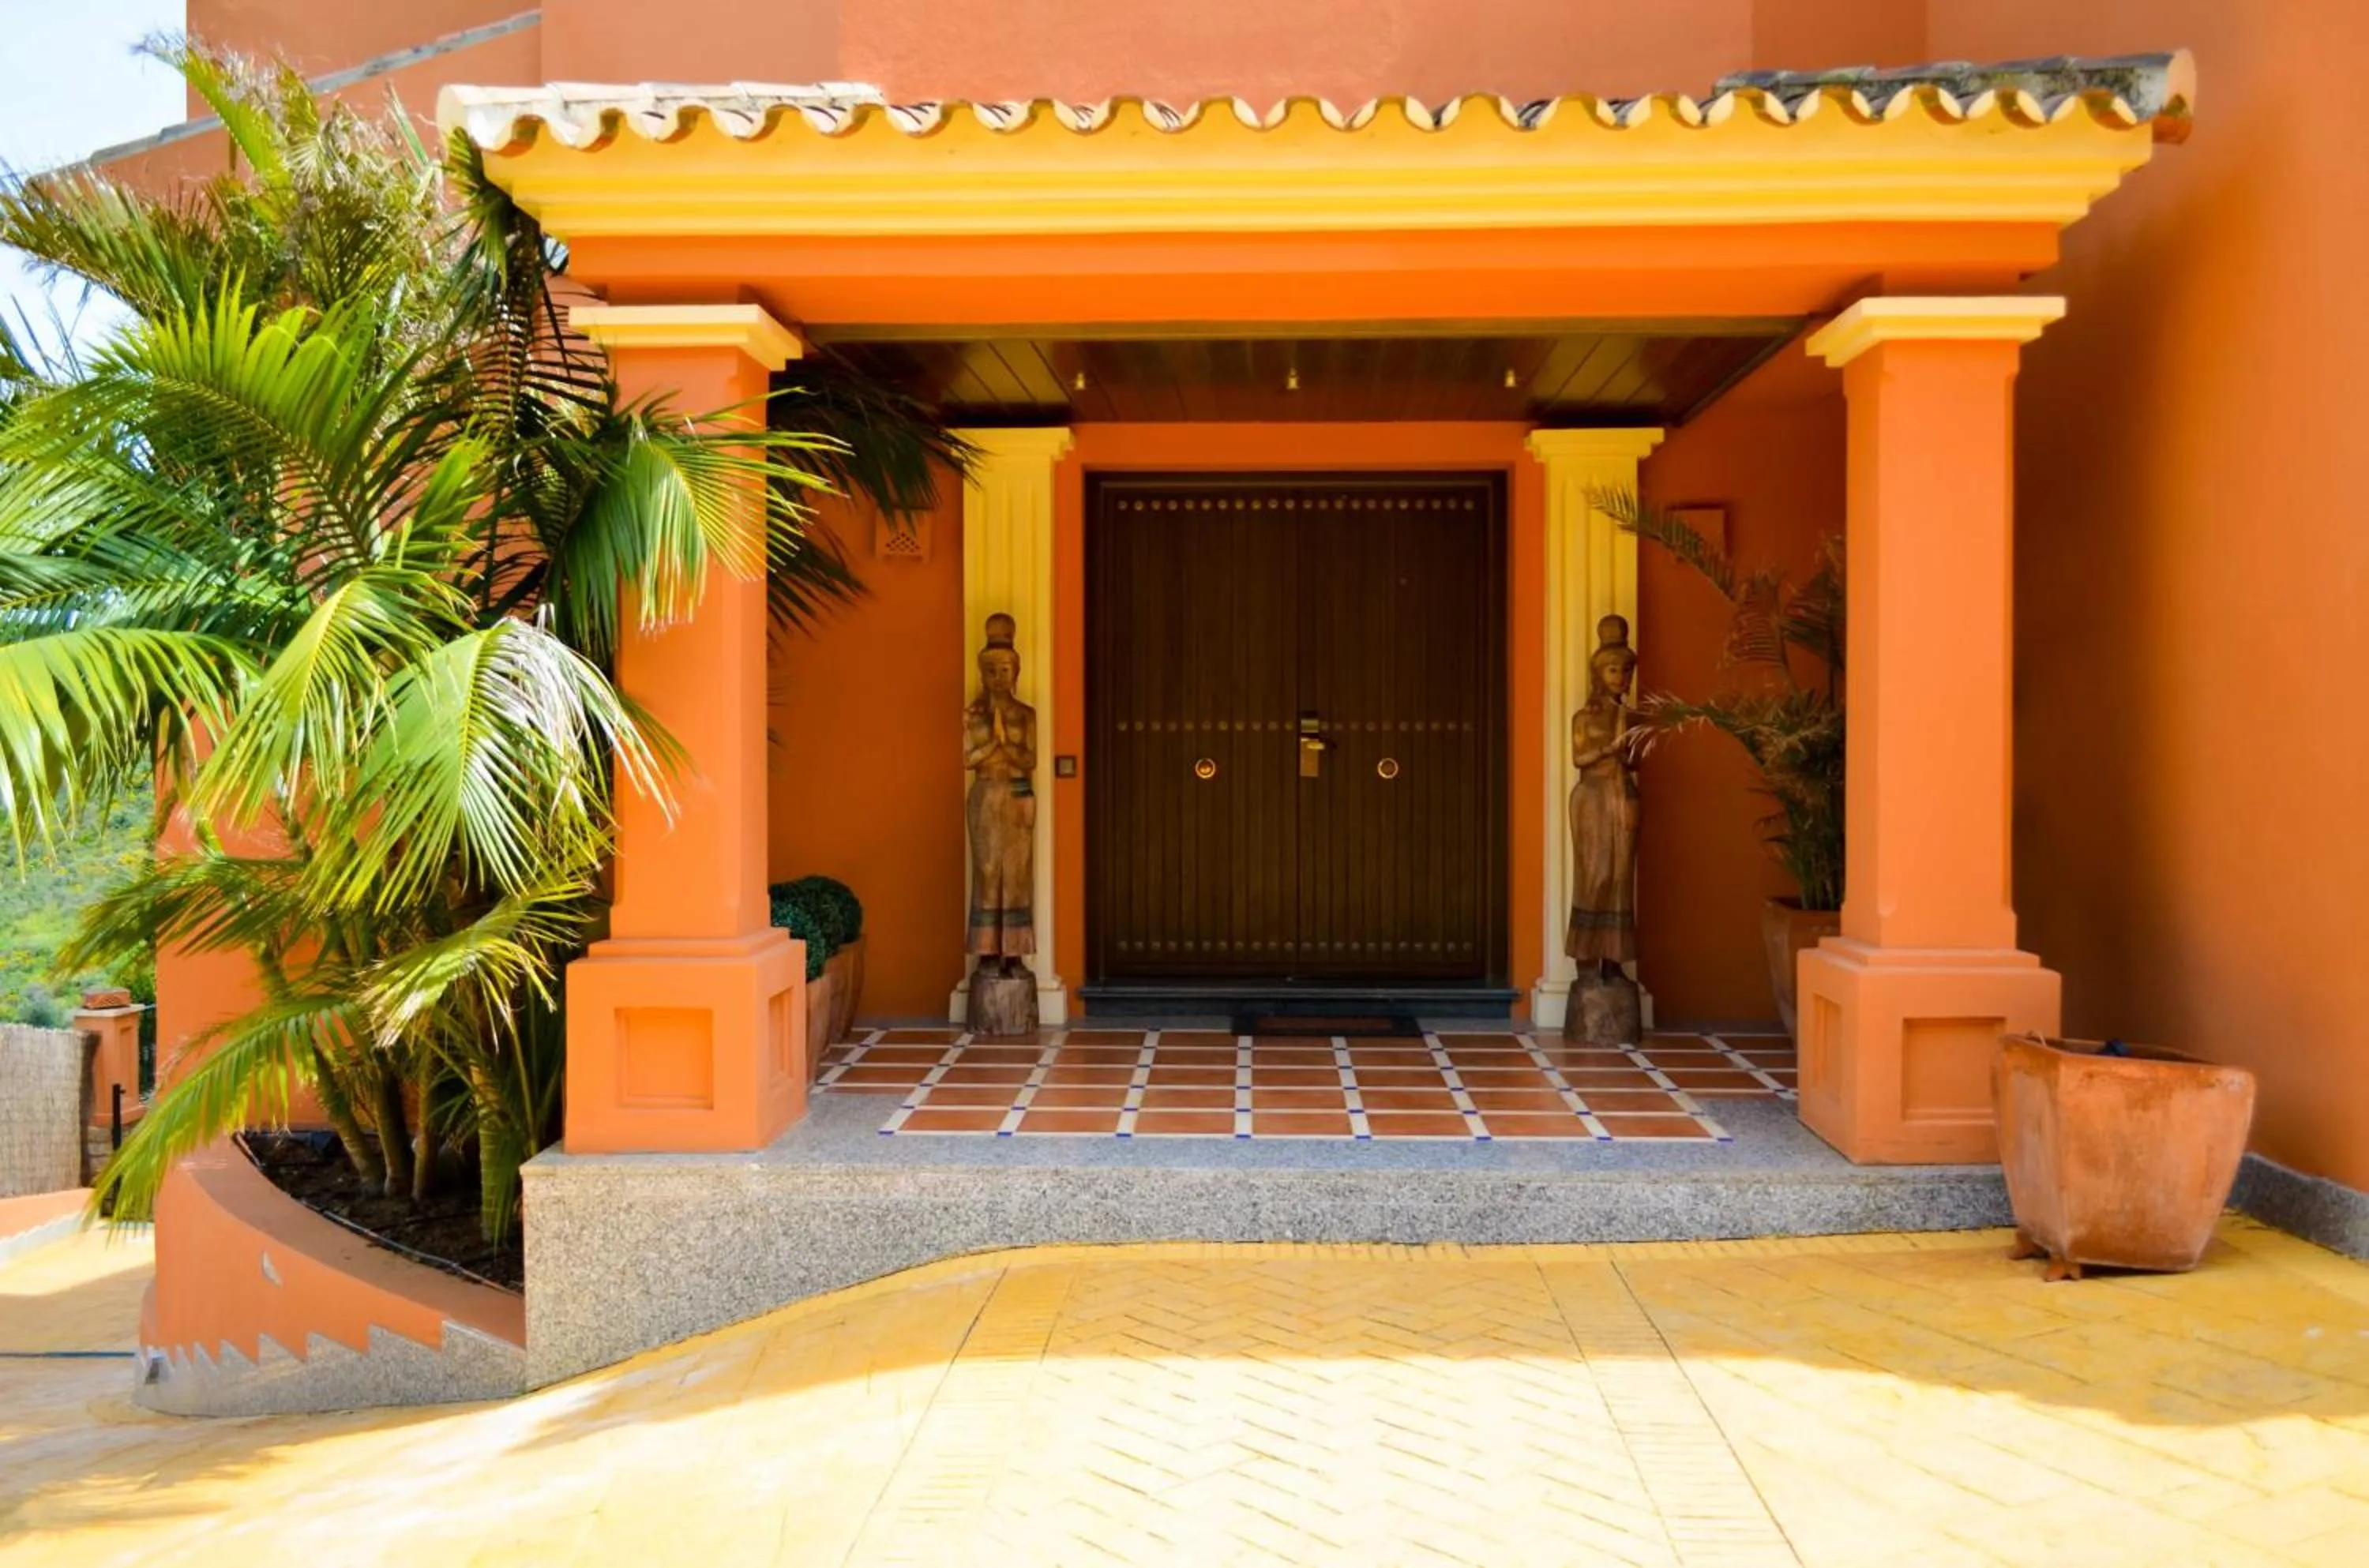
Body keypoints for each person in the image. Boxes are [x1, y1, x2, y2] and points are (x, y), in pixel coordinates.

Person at [963, 613, 1037, 976]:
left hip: (1019, 795)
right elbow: (968, 759)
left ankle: (1015, 952)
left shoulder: (1026, 715)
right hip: (986, 796)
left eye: (1005, 670)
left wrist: (1005, 744)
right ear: (983, 674)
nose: (998, 678)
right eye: (991, 671)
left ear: (1015, 672)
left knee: (1017, 873)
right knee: (988, 870)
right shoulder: (973, 716)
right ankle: (987, 951)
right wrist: (993, 740)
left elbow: (1030, 759)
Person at [1566, 613, 1639, 977]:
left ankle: (1613, 961)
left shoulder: (1631, 716)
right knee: (1594, 876)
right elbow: (1579, 757)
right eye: (1613, 671)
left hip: (1623, 796)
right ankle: (1584, 959)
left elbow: (1637, 761)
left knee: (1621, 880)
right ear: (1600, 674)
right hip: (1593, 798)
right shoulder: (1585, 718)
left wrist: (1628, 745)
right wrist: (1609, 749)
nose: (1621, 678)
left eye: (1626, 671)